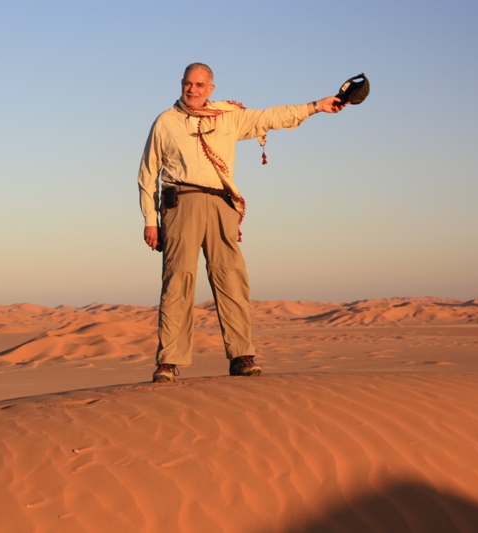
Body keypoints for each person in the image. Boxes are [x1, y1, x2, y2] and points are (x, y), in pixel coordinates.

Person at [138, 62, 346, 383]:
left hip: (222, 203)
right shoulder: (166, 122)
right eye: (187, 84)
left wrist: (316, 106)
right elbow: (148, 172)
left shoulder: (228, 117)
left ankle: (241, 355)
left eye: (199, 85)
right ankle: (169, 360)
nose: (192, 90)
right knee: (178, 279)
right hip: (181, 203)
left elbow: (271, 117)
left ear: (211, 89)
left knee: (231, 277)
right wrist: (151, 220)